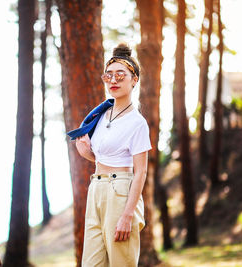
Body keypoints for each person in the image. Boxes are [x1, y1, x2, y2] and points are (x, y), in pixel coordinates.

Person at [67, 43, 152, 267]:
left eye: (120, 75)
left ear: (134, 80)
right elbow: (107, 158)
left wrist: (127, 215)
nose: (113, 80)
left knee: (120, 263)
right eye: (109, 75)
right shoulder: (101, 115)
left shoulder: (137, 123)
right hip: (96, 189)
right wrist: (88, 154)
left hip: (121, 193)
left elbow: (140, 171)